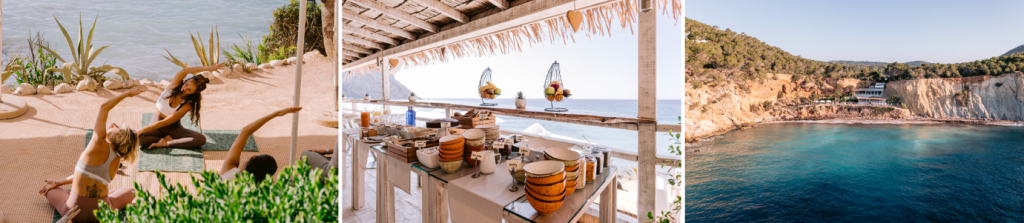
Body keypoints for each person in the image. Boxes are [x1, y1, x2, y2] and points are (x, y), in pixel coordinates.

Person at [40, 89, 144, 223]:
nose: (112, 125)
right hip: (101, 214)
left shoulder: (97, 142)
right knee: (131, 191)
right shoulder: (117, 161)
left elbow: (104, 107)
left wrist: (126, 94)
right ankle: (102, 198)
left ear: (117, 136)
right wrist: (58, 181)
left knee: (49, 190)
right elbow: (85, 173)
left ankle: (72, 195)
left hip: (74, 212)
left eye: (116, 127)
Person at [138, 65, 223, 149]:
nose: (184, 88)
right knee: (138, 139)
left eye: (189, 90)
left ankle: (167, 143)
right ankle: (163, 139)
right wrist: (207, 68)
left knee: (201, 139)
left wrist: (141, 130)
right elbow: (184, 71)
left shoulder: (187, 104)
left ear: (194, 93)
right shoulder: (174, 85)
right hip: (156, 126)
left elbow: (165, 122)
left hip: (172, 129)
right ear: (187, 80)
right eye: (186, 84)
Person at [219, 107, 303, 183]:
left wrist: (275, 114)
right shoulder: (261, 193)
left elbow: (245, 131)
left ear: (254, 158)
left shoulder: (229, 169)